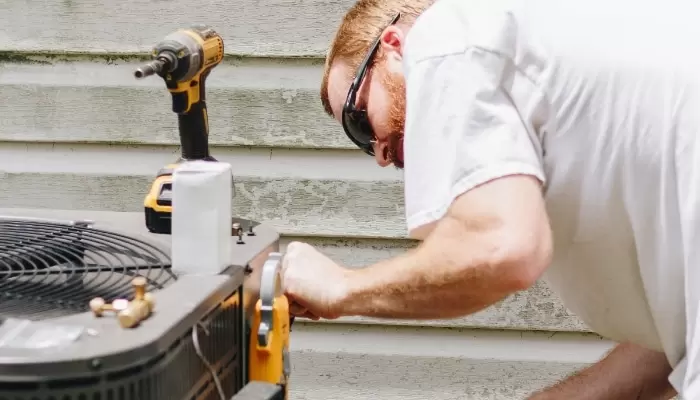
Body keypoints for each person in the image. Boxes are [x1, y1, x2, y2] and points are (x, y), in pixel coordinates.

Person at [279, 0, 700, 398]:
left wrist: (342, 288)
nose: (381, 155)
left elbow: (500, 250)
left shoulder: (447, 39)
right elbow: (673, 337)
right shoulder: (563, 81)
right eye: (362, 144)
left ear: (392, 47)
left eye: (359, 118)